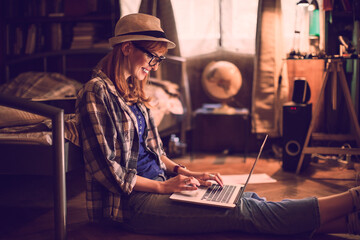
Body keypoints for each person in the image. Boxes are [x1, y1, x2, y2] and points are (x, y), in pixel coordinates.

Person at [75, 13, 360, 237]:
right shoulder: (95, 92)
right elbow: (108, 171)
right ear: (126, 47)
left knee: (247, 199)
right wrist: (164, 188)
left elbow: (153, 151)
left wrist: (187, 172)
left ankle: (349, 223)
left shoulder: (132, 90)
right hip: (131, 206)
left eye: (160, 59)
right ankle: (352, 200)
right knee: (239, 211)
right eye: (153, 56)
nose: (156, 66)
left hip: (162, 185)